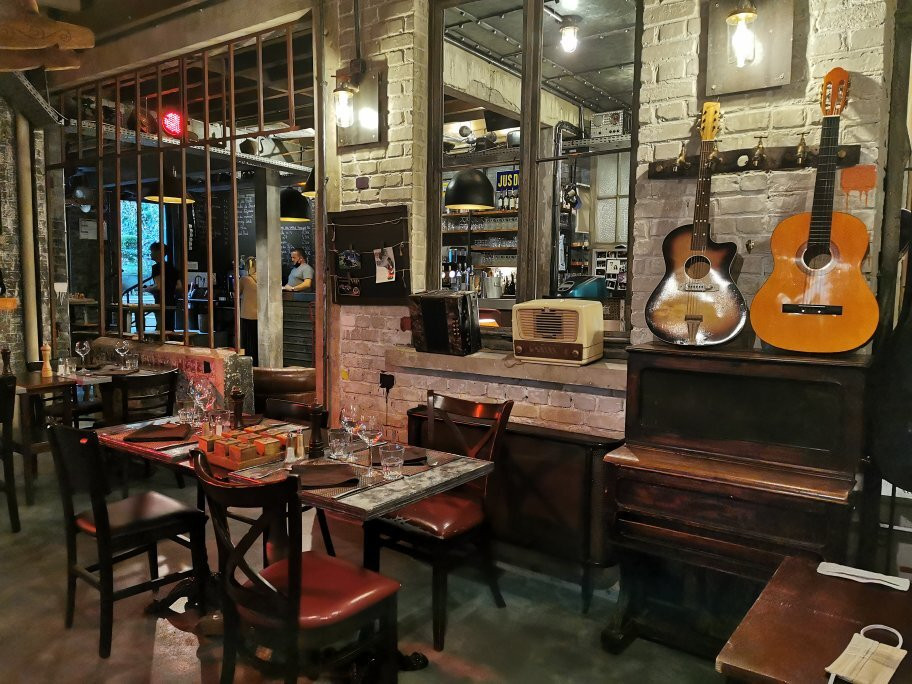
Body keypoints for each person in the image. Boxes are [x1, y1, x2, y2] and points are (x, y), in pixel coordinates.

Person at [144, 242, 181, 332]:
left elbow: (159, 286)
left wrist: (146, 289)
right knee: (169, 327)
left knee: (161, 327)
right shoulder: (172, 268)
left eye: (152, 251)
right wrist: (169, 288)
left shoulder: (156, 267)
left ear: (158, 252)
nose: (150, 254)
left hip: (161, 300)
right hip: (171, 300)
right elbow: (179, 286)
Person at [239, 256, 259, 366]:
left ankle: (246, 363)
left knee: (246, 342)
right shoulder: (264, 279)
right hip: (260, 316)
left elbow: (236, 292)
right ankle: (257, 363)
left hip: (247, 315)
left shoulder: (244, 279)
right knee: (257, 341)